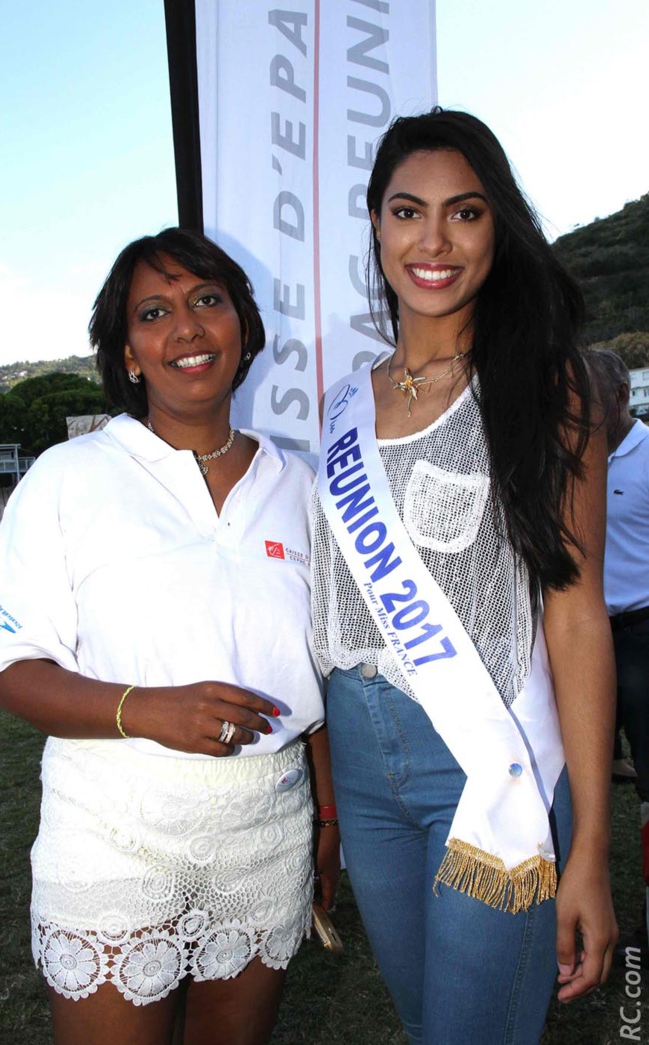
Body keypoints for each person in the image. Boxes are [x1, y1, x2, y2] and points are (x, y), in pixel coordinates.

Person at [0, 228, 339, 1045]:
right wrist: (147, 708)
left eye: (207, 301)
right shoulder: (69, 477)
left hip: (265, 831)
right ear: (129, 352)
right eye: (154, 311)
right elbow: (11, 669)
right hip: (112, 828)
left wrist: (324, 817)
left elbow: (325, 674)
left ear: (241, 328)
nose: (185, 326)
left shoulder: (302, 486)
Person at [312, 110, 617, 1044]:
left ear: (498, 228)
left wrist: (593, 849)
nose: (432, 241)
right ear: (374, 223)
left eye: (464, 213)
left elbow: (574, 615)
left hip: (485, 765)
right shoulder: (340, 400)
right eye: (408, 211)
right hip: (365, 775)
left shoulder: (543, 385)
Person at [587, 347, 649, 960]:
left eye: (589, 400)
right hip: (582, 639)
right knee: (583, 779)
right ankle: (583, 901)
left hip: (641, 637)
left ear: (621, 399)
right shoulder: (567, 453)